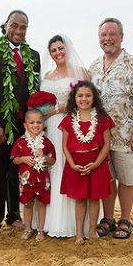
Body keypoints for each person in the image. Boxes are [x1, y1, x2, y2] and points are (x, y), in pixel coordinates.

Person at [0, 11, 42, 238]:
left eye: (23, 27)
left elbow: (33, 93)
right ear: (5, 25)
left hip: (24, 127)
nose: (19, 31)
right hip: (0, 126)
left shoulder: (33, 55)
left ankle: (14, 215)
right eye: (14, 25)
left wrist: (33, 127)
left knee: (16, 172)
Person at [87, 19, 133, 240]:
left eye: (112, 34)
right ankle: (108, 218)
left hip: (126, 134)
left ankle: (125, 219)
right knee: (107, 178)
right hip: (100, 136)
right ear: (99, 38)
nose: (108, 39)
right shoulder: (94, 66)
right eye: (104, 35)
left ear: (121, 37)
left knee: (126, 178)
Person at [60, 80, 113, 245]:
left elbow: (106, 144)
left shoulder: (102, 119)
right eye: (80, 95)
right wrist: (72, 165)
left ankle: (91, 230)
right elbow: (65, 146)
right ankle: (78, 233)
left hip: (96, 165)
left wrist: (97, 163)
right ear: (74, 98)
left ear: (94, 98)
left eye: (88, 95)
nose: (84, 99)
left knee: (94, 199)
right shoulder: (69, 120)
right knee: (80, 200)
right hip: (76, 167)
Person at [41, 35, 83, 238]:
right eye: (53, 50)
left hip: (68, 125)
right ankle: (48, 220)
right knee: (50, 168)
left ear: (67, 48)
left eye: (60, 48)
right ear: (50, 54)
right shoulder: (47, 74)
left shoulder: (80, 72)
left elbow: (85, 97)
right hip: (47, 128)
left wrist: (57, 108)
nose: (58, 53)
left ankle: (70, 222)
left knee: (66, 167)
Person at [11, 106, 56, 241]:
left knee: (42, 204)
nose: (35, 125)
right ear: (25, 125)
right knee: (28, 204)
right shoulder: (20, 142)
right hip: (26, 181)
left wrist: (44, 156)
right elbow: (14, 160)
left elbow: (53, 160)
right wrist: (23, 159)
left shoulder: (46, 143)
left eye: (39, 122)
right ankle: (28, 229)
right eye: (32, 122)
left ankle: (41, 230)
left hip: (42, 180)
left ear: (43, 123)